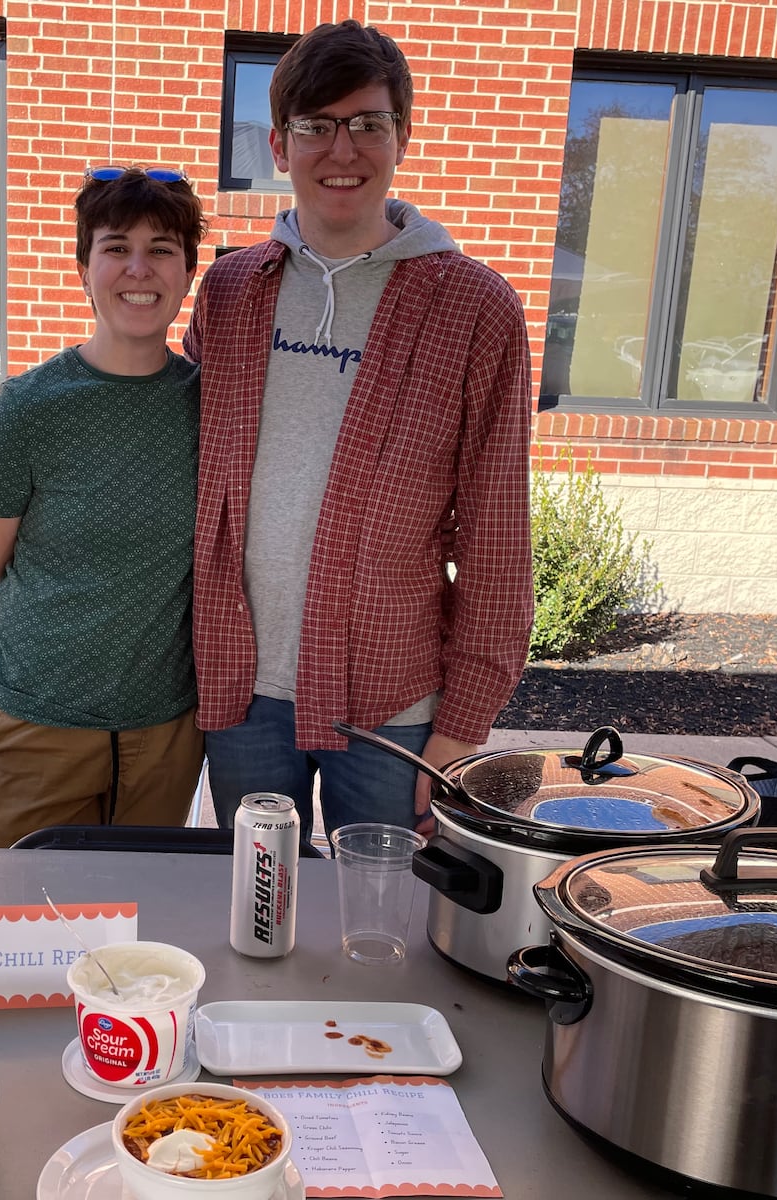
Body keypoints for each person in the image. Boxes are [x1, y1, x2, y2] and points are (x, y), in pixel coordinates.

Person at [184, 20, 534, 837]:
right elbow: (172, 435)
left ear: (402, 137)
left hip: (392, 705)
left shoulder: (475, 308)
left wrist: (463, 722)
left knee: (385, 931)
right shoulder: (232, 291)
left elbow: (495, 527)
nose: (342, 149)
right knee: (254, 917)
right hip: (241, 692)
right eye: (316, 126)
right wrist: (34, 412)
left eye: (368, 123)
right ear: (279, 143)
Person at [0, 167, 208, 848]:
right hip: (35, 729)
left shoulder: (215, 407)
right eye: (115, 246)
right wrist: (22, 691)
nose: (139, 268)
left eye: (162, 249)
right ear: (83, 267)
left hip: (164, 734)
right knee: (33, 931)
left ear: (187, 272)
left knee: (139, 933)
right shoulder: (27, 411)